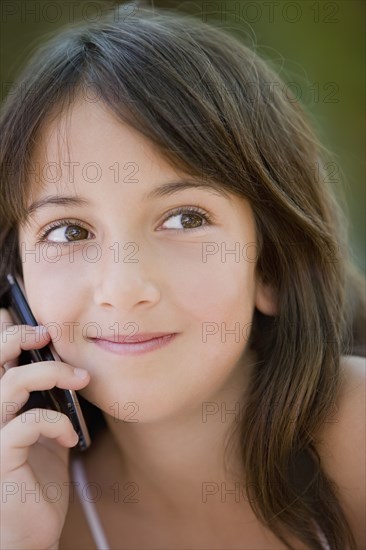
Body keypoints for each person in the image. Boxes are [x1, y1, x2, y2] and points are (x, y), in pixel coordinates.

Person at [0, 4, 364, 550]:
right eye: (69, 232)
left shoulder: (355, 435)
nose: (123, 289)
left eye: (185, 219)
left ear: (271, 265)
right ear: (17, 286)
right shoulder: (27, 503)